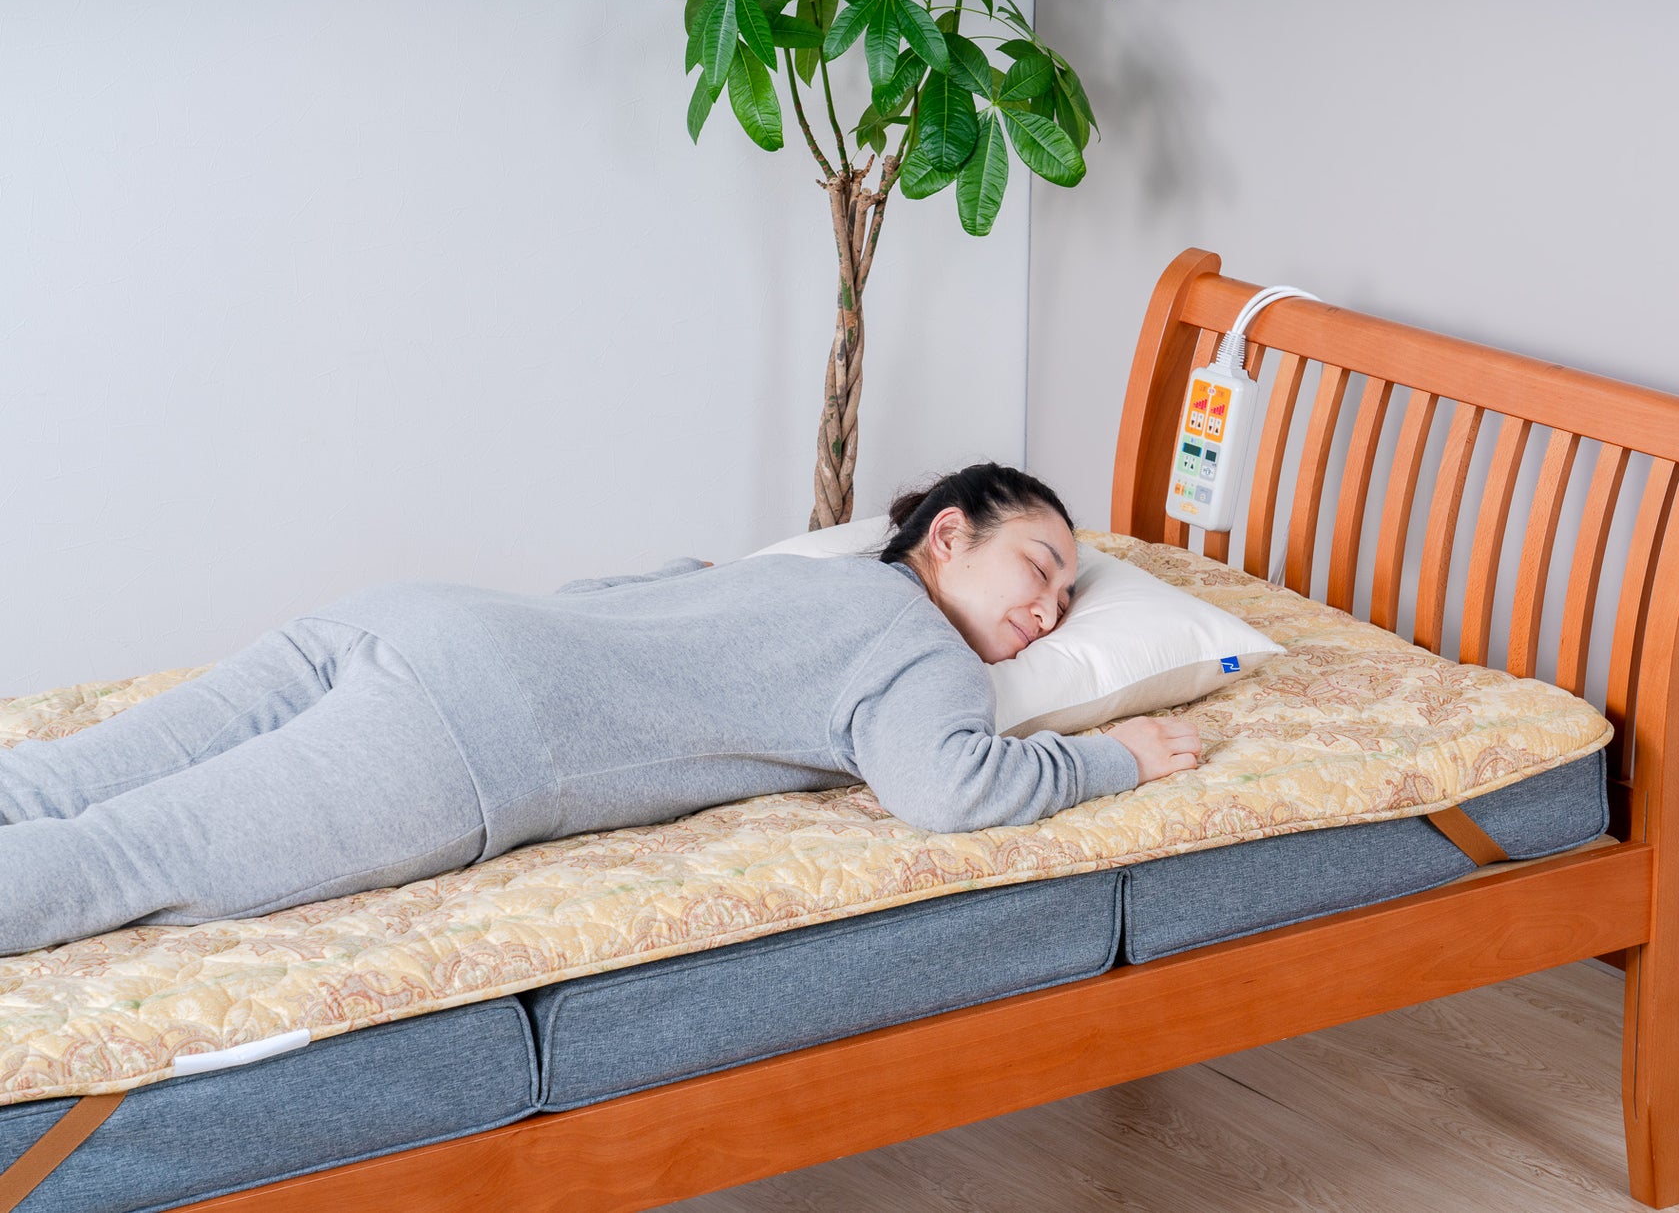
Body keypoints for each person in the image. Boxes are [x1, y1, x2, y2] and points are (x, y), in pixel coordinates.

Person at [0, 463, 1202, 956]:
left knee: (57, 781)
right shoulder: (923, 648)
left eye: (1066, 596)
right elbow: (950, 786)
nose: (1049, 608)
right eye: (1038, 565)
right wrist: (1117, 758)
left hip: (413, 615)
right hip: (466, 730)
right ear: (946, 535)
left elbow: (643, 594)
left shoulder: (800, 567)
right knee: (120, 859)